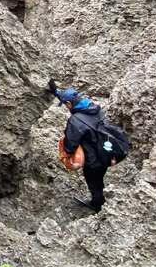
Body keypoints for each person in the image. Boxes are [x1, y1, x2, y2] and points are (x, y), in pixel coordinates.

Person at [47, 80, 114, 212]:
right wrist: (56, 92)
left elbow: (70, 146)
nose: (66, 107)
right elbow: (70, 99)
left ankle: (97, 204)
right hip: (106, 152)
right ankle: (100, 197)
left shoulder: (75, 121)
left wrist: (64, 150)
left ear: (69, 104)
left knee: (94, 181)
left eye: (66, 105)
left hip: (94, 160)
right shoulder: (94, 108)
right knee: (100, 177)